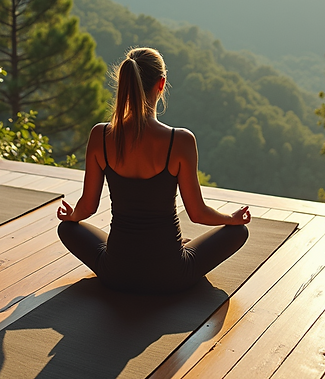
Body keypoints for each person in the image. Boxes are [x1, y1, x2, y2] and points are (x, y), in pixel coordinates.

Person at [57, 47, 250, 294]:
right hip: (172, 274)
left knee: (67, 229)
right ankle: (179, 248)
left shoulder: (100, 135)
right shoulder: (180, 141)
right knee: (238, 232)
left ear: (124, 84)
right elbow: (198, 213)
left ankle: (132, 257)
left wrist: (72, 215)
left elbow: (87, 208)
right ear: (161, 84)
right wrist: (230, 220)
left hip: (116, 272)